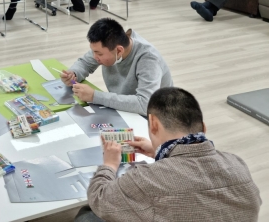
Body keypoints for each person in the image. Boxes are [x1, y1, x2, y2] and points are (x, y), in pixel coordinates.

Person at [76, 87, 261, 222]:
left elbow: (99, 199)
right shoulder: (238, 164)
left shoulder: (146, 178)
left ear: (153, 124)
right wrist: (159, 153)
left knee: (87, 215)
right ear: (203, 128)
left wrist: (109, 164)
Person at [60, 18, 172, 116]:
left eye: (99, 54)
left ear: (119, 50)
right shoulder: (111, 44)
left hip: (158, 115)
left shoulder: (148, 59)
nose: (95, 57)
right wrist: (74, 73)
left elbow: (145, 104)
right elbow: (84, 63)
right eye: (93, 52)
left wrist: (95, 96)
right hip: (126, 109)